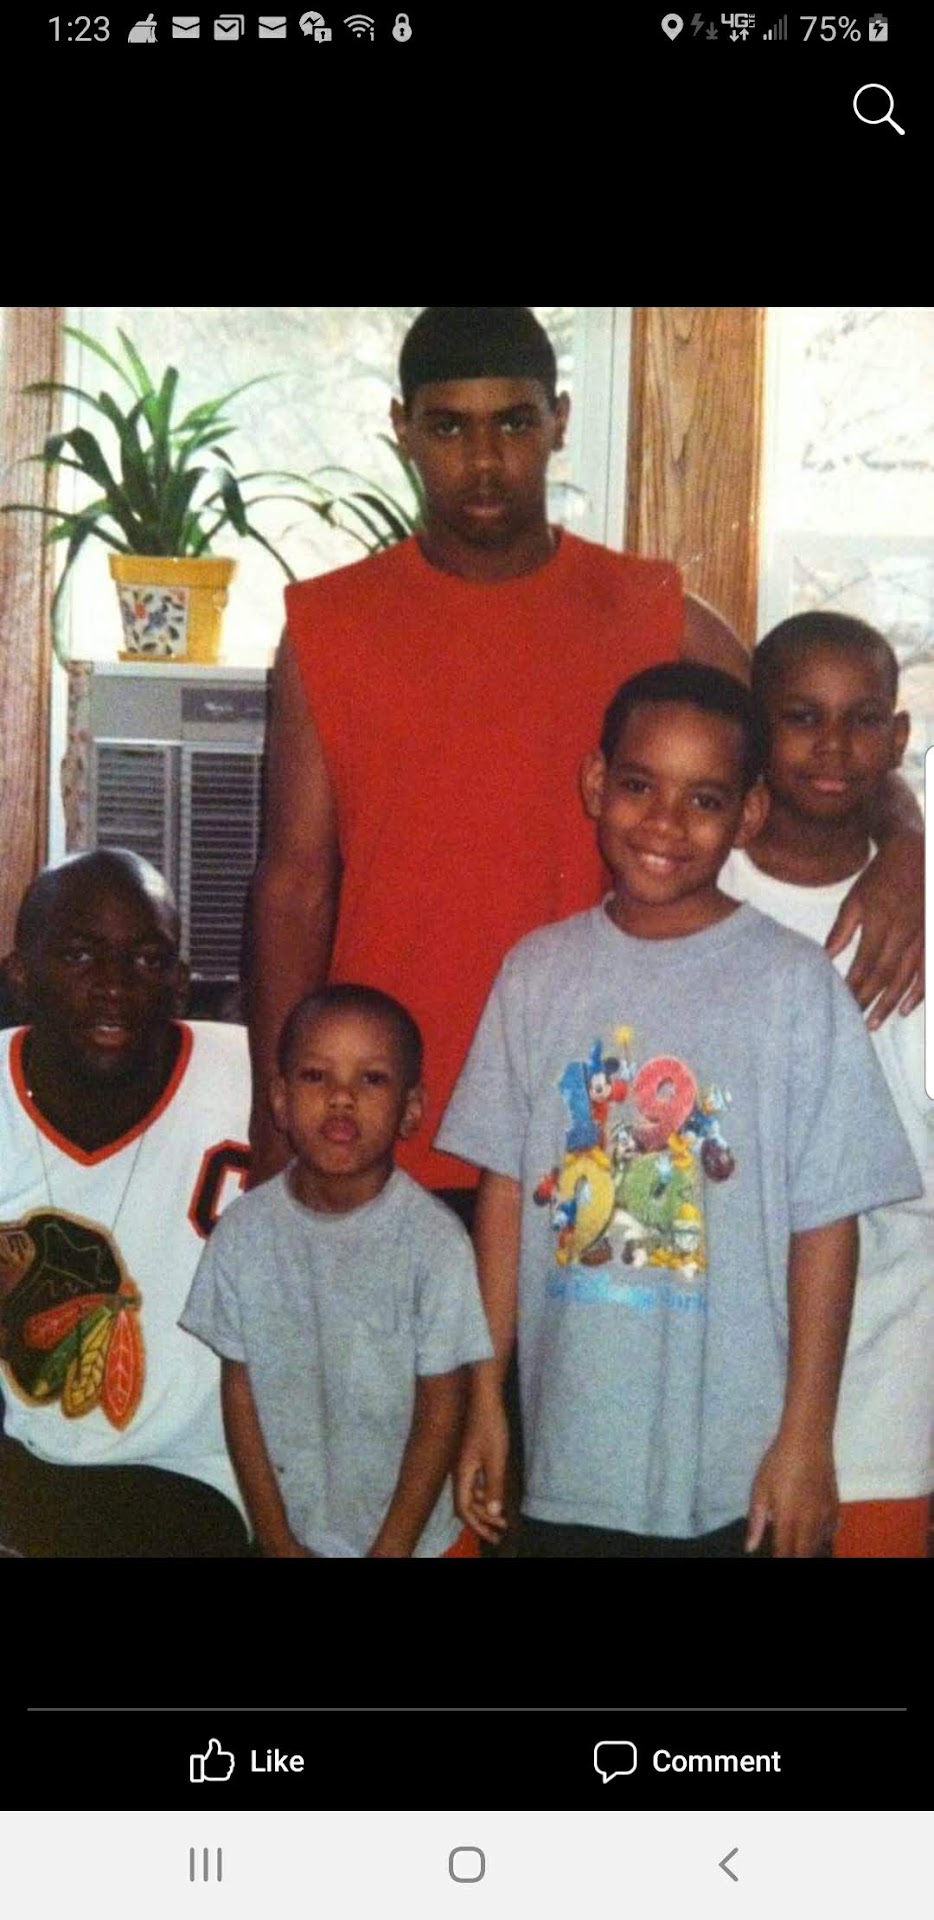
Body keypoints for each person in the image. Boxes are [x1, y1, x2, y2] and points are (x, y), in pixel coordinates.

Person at [246, 306, 923, 1206]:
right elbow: (294, 885)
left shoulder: (653, 613)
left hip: (598, 1127)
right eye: (448, 427)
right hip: (382, 1121)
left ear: (558, 421)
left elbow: (815, 756)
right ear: (402, 429)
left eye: (513, 423)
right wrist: (275, 1121)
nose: (484, 460)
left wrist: (908, 845)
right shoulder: (327, 629)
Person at [436, 662, 922, 1558]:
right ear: (595, 784)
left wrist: (807, 1438)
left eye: (704, 800)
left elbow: (827, 1227)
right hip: (568, 1455)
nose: (664, 823)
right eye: (638, 786)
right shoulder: (536, 974)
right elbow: (502, 1199)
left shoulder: (792, 984)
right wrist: (485, 1401)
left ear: (749, 814)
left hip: (743, 1477)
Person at [720, 612, 932, 1557]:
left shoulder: (918, 905)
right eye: (802, 717)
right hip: (716, 1351)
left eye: (863, 719)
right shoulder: (695, 891)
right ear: (757, 729)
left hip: (886, 1355)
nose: (834, 747)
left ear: (899, 735)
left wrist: (911, 851)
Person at [181, 984, 493, 1558]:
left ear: (411, 1108)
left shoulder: (434, 1244)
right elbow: (240, 1393)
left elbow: (442, 1408)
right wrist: (277, 1539)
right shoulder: (244, 1234)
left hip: (415, 1541)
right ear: (280, 1100)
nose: (342, 1098)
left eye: (371, 1079)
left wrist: (391, 1550)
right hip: (294, 1531)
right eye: (315, 1076)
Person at [0, 849, 252, 1558]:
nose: (113, 986)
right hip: (26, 1461)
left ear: (179, 984)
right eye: (78, 956)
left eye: (146, 960)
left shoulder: (251, 1075)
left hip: (199, 1471)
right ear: (22, 976)